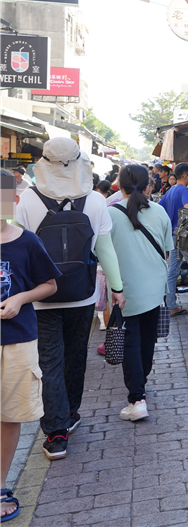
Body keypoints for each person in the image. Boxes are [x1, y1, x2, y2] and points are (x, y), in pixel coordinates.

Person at [15, 138, 125, 461]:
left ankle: (56, 433)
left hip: (40, 298)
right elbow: (105, 250)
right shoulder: (96, 200)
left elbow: (17, 251)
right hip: (82, 295)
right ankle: (71, 413)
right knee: (76, 357)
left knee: (48, 362)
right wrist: (117, 288)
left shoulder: (26, 200)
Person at [1, 169, 60, 522]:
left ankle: (1, 485)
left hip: (18, 341)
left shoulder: (27, 241)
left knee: (9, 416)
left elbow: (49, 284)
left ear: (13, 200)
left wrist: (20, 298)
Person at [107, 165, 173, 420]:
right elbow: (167, 251)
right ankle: (140, 384)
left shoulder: (109, 214)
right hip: (154, 288)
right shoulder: (158, 211)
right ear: (148, 186)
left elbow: (101, 254)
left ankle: (137, 399)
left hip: (123, 289)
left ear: (119, 185)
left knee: (131, 342)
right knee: (146, 340)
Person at [160, 162, 188, 317]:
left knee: (172, 271)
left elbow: (159, 208)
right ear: (185, 176)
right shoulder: (184, 190)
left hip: (173, 236)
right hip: (184, 237)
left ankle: (171, 304)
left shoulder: (171, 190)